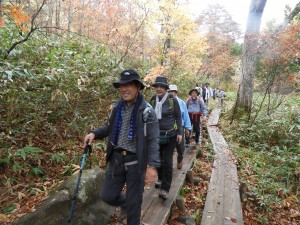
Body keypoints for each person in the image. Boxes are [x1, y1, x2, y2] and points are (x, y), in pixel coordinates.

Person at [84, 69, 160, 225]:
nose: (124, 89)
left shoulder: (147, 111)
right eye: (122, 85)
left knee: (134, 206)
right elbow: (109, 128)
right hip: (116, 160)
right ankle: (126, 203)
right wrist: (94, 133)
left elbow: (153, 140)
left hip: (135, 163)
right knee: (107, 196)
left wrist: (152, 166)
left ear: (137, 87)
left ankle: (131, 206)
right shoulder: (116, 108)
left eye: (129, 85)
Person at [150, 76, 182, 200]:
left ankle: (165, 189)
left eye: (161, 87)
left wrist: (179, 133)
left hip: (170, 136)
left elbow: (178, 117)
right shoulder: (153, 100)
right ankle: (160, 178)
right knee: (158, 159)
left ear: (165, 89)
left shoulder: (172, 100)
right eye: (157, 86)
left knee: (167, 161)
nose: (158, 89)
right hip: (156, 135)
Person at [168, 84, 192, 169]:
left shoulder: (181, 103)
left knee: (180, 147)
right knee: (168, 148)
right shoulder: (165, 102)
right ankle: (168, 166)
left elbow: (185, 115)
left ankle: (179, 160)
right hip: (169, 128)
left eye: (173, 91)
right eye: (169, 92)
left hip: (179, 127)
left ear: (176, 92)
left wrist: (187, 128)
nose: (171, 93)